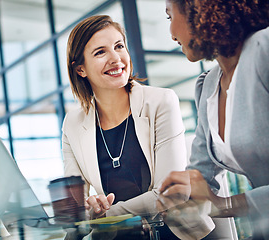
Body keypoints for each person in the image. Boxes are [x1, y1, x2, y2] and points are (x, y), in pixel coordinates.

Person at [62, 14, 211, 239]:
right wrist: (89, 208)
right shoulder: (72, 125)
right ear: (80, 69)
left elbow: (172, 194)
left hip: (174, 233)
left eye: (119, 46)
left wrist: (108, 215)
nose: (116, 58)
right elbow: (76, 205)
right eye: (100, 52)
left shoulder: (162, 101)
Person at [159, 0, 269, 239]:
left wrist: (223, 204)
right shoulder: (208, 85)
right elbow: (200, 177)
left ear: (197, 9)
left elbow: (215, 201)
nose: (171, 33)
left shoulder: (265, 49)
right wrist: (180, 197)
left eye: (170, 17)